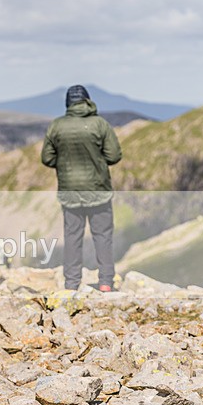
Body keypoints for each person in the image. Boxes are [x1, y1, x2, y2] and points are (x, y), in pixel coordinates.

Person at [41, 85, 123, 292]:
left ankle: (71, 284)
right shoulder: (100, 124)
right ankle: (105, 282)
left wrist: (64, 164)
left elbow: (47, 158)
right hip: (98, 191)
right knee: (103, 236)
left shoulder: (56, 126)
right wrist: (97, 160)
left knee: (72, 238)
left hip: (70, 192)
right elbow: (114, 156)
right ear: (87, 100)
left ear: (68, 103)